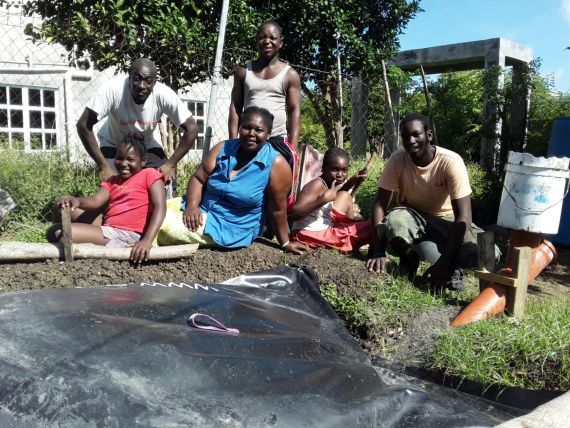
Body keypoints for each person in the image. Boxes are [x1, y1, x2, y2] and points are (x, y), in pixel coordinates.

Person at [366, 113, 492, 291]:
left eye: (416, 134)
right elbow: (380, 203)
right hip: (411, 214)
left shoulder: (450, 162)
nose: (410, 140)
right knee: (394, 222)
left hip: (445, 219)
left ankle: (449, 267)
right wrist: (378, 250)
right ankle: (410, 258)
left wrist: (444, 264)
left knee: (484, 251)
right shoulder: (398, 159)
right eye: (405, 136)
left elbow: (463, 217)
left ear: (429, 136)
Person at [163, 106, 306, 253]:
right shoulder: (223, 148)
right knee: (153, 210)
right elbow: (199, 178)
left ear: (268, 135)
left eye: (259, 130)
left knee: (164, 226)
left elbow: (277, 209)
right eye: (246, 127)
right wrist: (192, 206)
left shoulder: (276, 165)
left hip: (230, 226)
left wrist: (285, 242)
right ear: (239, 128)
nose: (251, 134)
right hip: (200, 210)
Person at [47, 137, 167, 264]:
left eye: (130, 159)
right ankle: (63, 250)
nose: (123, 163)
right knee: (60, 203)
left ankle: (70, 249)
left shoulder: (149, 174)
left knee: (57, 232)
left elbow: (160, 207)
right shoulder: (112, 180)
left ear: (143, 161)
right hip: (108, 227)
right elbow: (96, 200)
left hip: (128, 233)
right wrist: (77, 201)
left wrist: (147, 241)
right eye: (119, 158)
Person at [77, 57, 198, 182]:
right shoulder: (113, 89)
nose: (141, 85)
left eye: (148, 81)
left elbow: (192, 128)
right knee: (113, 186)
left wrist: (170, 164)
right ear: (129, 78)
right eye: (137, 79)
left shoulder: (164, 94)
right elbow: (83, 125)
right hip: (114, 144)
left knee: (163, 180)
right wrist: (104, 167)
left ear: (154, 83)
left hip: (146, 145)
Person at [228, 21, 301, 209]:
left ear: (281, 43)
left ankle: (276, 222)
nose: (266, 41)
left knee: (277, 186)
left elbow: (294, 113)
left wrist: (292, 146)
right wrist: (233, 140)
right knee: (245, 181)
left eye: (272, 38)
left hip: (276, 138)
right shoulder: (244, 71)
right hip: (249, 139)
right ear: (256, 41)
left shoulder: (290, 75)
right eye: (262, 37)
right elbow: (236, 106)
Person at [288, 148, 373, 253]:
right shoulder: (316, 185)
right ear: (324, 168)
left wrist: (352, 181)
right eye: (335, 169)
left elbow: (333, 197)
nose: (340, 175)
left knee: (345, 196)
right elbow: (293, 214)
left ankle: (347, 234)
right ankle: (349, 241)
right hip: (307, 234)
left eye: (344, 170)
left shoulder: (327, 182)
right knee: (372, 226)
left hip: (320, 228)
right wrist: (323, 200)